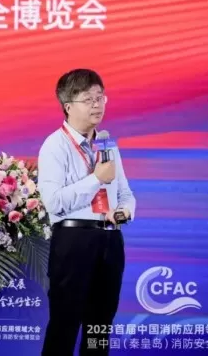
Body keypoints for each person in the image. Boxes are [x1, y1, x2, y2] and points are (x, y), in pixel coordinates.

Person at [38, 69, 136, 355]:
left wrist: (124, 211)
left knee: (100, 328)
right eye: (88, 99)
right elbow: (54, 202)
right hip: (74, 241)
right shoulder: (54, 146)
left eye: (100, 97)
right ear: (68, 106)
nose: (97, 105)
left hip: (110, 240)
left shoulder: (107, 144)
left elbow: (125, 193)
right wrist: (96, 179)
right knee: (65, 324)